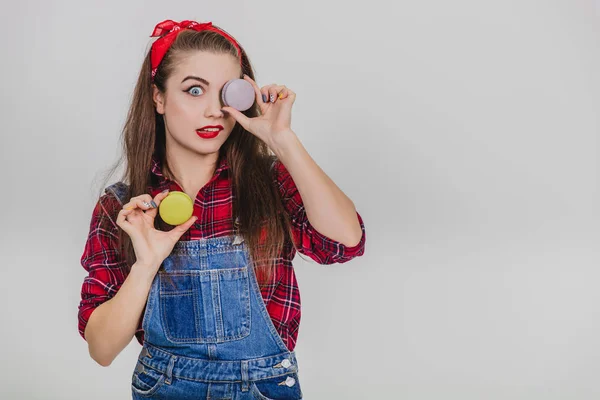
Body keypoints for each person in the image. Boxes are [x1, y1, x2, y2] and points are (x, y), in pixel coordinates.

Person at [77, 19, 366, 399]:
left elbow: (345, 243)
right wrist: (145, 265)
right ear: (158, 98)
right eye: (194, 90)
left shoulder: (272, 183)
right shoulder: (124, 206)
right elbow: (101, 349)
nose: (215, 110)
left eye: (226, 93)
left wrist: (282, 139)